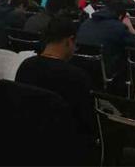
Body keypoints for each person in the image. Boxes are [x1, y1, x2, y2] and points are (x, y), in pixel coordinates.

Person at [16, 16, 96, 161]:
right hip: (63, 149)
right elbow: (86, 124)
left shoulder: (26, 66)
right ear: (69, 41)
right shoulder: (78, 77)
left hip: (25, 143)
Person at [76, 0, 135, 76]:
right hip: (106, 73)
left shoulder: (86, 23)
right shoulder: (119, 28)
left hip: (81, 71)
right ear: (120, 16)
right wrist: (132, 30)